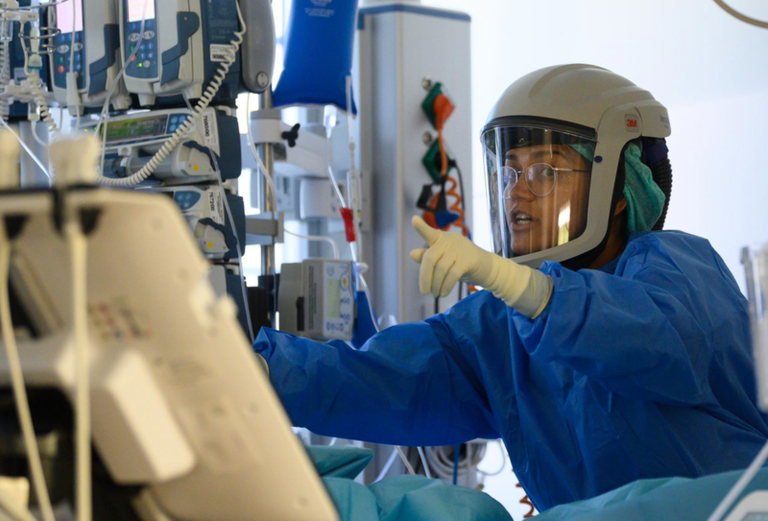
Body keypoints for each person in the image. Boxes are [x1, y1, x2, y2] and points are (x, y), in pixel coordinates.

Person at [253, 64, 768, 512]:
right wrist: (248, 371)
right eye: (507, 171)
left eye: (544, 171)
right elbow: (377, 381)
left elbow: (647, 338)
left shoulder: (678, 267)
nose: (515, 193)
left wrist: (526, 290)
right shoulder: (500, 324)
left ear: (618, 189)